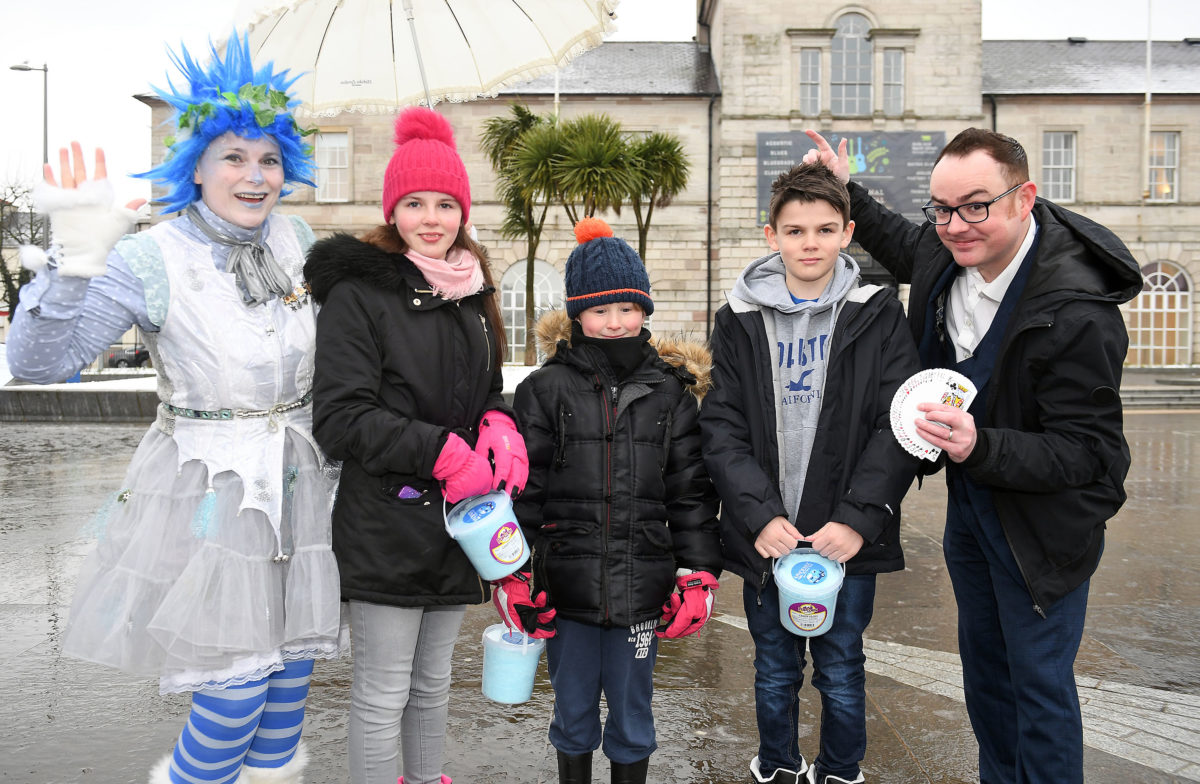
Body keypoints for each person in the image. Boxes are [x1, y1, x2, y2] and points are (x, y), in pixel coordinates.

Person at [5, 34, 344, 784]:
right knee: (235, 694)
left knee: (287, 693)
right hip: (210, 495)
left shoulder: (300, 239)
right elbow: (36, 365)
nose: (254, 177)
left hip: (304, 488)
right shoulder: (151, 257)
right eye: (233, 157)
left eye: (269, 160)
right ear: (194, 164)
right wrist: (73, 267)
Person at [803, 128, 1141, 783]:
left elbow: (1091, 456)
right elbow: (903, 240)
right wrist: (846, 192)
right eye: (942, 208)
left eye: (976, 206)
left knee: (1037, 688)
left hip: (1046, 529)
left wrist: (981, 444)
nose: (956, 226)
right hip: (973, 509)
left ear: (1025, 198)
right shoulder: (944, 249)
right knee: (986, 677)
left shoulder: (1076, 311)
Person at [304, 106, 524, 784]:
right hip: (387, 523)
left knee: (432, 686)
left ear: (463, 208)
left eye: (446, 203)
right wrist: (444, 453)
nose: (432, 218)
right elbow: (341, 419)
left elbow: (484, 389)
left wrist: (499, 424)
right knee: (381, 693)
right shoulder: (361, 293)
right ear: (392, 211)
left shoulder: (471, 290)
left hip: (458, 525)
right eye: (414, 203)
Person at [698, 163, 923, 784]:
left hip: (843, 539)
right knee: (773, 667)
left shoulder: (879, 314)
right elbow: (721, 428)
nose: (810, 243)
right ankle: (777, 764)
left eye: (825, 229)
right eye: (794, 230)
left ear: (847, 232)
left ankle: (841, 769)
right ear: (771, 235)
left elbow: (897, 424)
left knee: (842, 666)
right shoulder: (738, 318)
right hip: (769, 537)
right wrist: (758, 515)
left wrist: (857, 520)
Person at [504, 217, 722, 784]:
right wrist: (514, 573)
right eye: (600, 311)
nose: (615, 322)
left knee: (632, 713)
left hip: (640, 588)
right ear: (578, 314)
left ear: (644, 310)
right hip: (565, 588)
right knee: (571, 710)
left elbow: (690, 492)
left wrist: (698, 572)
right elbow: (525, 493)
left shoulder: (671, 394)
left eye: (627, 308)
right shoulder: (544, 390)